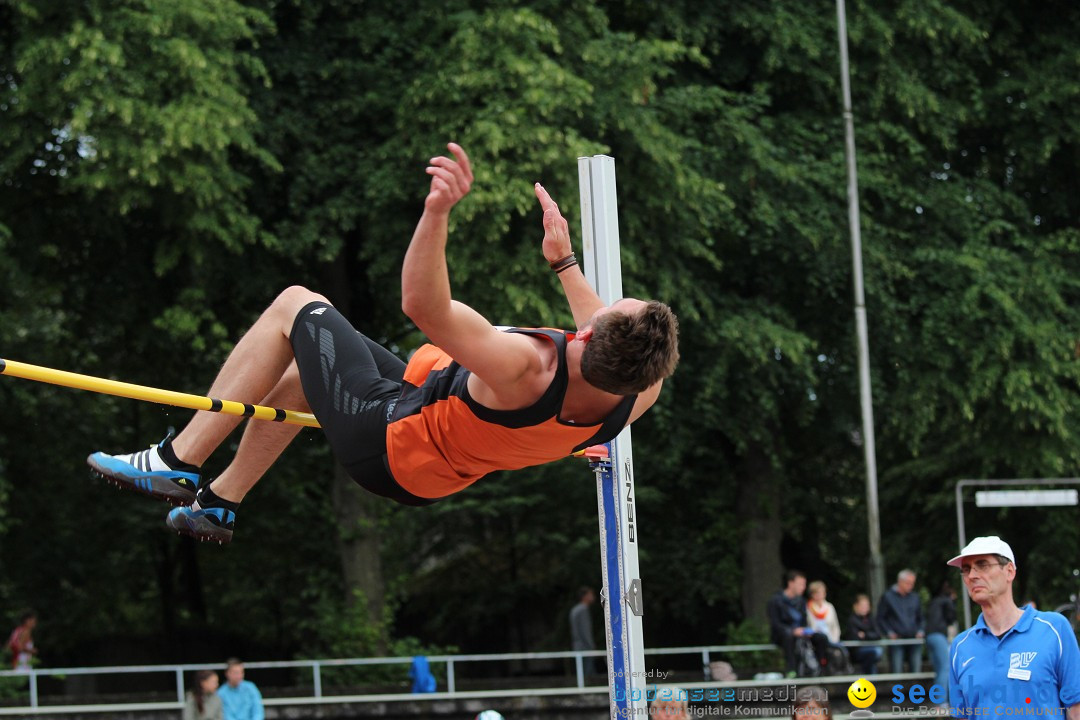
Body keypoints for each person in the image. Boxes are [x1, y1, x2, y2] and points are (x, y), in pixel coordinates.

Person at [86, 144, 679, 543]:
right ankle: (221, 501)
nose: (603, 301)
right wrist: (564, 262)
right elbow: (599, 327)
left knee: (295, 304)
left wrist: (437, 212)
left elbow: (424, 307)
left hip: (392, 440)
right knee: (301, 380)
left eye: (612, 305)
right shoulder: (635, 391)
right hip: (430, 452)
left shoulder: (525, 366)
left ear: (589, 336)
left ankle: (176, 461)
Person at [948, 536, 1080, 718]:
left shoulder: (1054, 629)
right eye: (966, 569)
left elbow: (1076, 708)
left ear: (1009, 571)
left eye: (982, 565)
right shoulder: (960, 646)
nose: (972, 575)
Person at [767, 570, 828, 677]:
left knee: (821, 637)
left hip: (800, 632)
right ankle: (791, 669)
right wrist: (793, 631)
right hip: (783, 634)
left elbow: (804, 622)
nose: (803, 587)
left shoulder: (801, 601)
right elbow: (775, 624)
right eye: (801, 584)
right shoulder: (775, 601)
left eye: (804, 584)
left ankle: (821, 667)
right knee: (788, 636)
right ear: (791, 583)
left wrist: (806, 630)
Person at [877, 569, 924, 673]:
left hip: (914, 639)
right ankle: (897, 689)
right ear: (900, 582)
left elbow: (921, 617)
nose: (911, 586)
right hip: (896, 639)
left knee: (916, 670)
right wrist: (889, 632)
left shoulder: (915, 597)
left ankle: (915, 689)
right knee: (896, 670)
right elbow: (880, 618)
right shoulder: (888, 597)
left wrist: (920, 630)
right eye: (908, 583)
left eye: (912, 583)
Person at [925, 581, 957, 694]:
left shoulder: (934, 601)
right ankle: (941, 701)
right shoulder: (947, 601)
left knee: (939, 670)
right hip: (939, 635)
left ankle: (939, 700)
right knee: (945, 668)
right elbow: (951, 618)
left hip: (928, 636)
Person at [846, 593, 884, 675]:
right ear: (856, 606)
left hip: (870, 649)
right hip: (857, 651)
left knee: (874, 655)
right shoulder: (852, 620)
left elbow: (878, 635)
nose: (865, 608)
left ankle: (870, 680)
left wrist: (865, 635)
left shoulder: (871, 619)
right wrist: (869, 635)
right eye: (862, 605)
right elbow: (854, 637)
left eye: (866, 605)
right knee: (874, 653)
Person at [570, 586, 598, 675]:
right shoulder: (583, 610)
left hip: (578, 646)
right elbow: (585, 630)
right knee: (588, 674)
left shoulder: (576, 609)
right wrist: (591, 645)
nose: (593, 597)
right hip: (584, 647)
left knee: (582, 673)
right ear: (585, 596)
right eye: (591, 594)